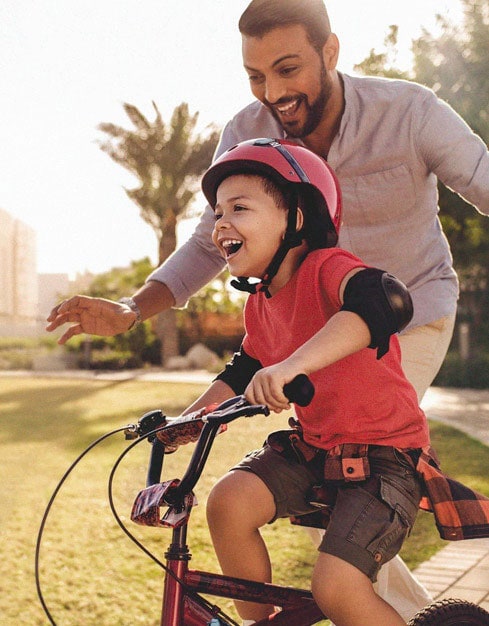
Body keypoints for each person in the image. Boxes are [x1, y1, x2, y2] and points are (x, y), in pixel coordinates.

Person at [46, 0, 489, 618]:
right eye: (256, 76)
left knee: (352, 479)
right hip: (300, 320)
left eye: (287, 70)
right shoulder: (249, 136)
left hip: (401, 315)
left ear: (330, 53)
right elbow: (210, 244)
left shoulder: (409, 112)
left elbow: (481, 178)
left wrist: (289, 366)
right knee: (306, 506)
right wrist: (130, 310)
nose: (273, 93)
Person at [179, 137, 428, 626]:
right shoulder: (260, 302)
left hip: (385, 460)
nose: (220, 223)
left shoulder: (325, 269)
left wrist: (292, 365)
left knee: (337, 587)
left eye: (239, 208)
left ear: (295, 219)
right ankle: (259, 621)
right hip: (317, 450)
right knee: (228, 502)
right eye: (217, 213)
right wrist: (189, 420)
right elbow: (242, 370)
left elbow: (385, 304)